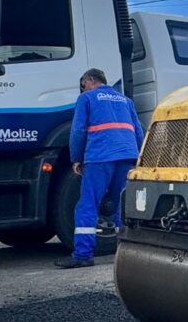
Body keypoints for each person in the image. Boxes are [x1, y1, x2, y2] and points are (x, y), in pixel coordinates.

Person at [55, 68, 144, 268]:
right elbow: (138, 131)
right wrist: (139, 156)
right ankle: (128, 255)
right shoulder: (125, 100)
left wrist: (76, 157)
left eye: (83, 86)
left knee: (88, 204)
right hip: (127, 156)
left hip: (100, 156)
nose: (82, 90)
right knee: (123, 206)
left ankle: (83, 255)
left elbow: (78, 131)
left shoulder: (87, 98)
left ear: (90, 80)